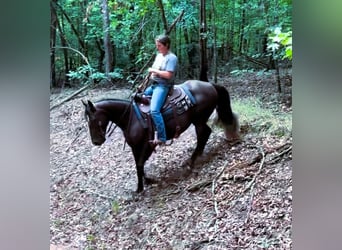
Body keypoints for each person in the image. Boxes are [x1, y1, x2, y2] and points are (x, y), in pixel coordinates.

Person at [143, 34, 178, 146]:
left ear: (166, 45)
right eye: (157, 45)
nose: (157, 47)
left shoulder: (171, 58)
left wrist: (154, 71)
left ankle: (162, 137)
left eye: (159, 45)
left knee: (154, 110)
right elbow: (153, 71)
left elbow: (168, 75)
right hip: (154, 84)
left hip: (163, 86)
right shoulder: (159, 56)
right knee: (140, 98)